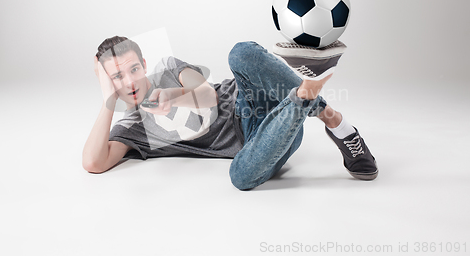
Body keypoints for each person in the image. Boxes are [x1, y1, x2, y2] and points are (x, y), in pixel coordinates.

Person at [82, 36, 378, 190]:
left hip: (251, 100)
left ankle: (336, 123)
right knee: (240, 177)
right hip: (262, 141)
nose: (130, 80)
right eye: (118, 76)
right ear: (108, 80)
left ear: (144, 64)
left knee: (240, 53)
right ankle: (305, 93)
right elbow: (94, 162)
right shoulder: (132, 127)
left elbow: (208, 95)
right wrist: (107, 97)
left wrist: (172, 97)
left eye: (134, 69)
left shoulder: (169, 70)